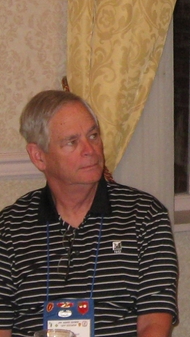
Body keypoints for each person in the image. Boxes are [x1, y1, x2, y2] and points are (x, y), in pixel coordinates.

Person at [0, 90, 179, 337]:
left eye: (93, 135)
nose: (90, 150)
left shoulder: (145, 216)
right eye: (72, 142)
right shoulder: (10, 228)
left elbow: (155, 322)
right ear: (39, 156)